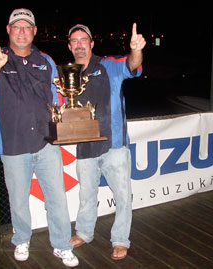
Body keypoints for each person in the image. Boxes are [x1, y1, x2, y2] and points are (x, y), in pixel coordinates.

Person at [0, 8, 79, 267]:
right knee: (18, 199)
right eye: (16, 27)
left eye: (26, 27)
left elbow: (60, 100)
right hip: (12, 144)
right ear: (8, 30)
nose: (21, 31)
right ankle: (22, 239)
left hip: (46, 144)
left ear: (34, 31)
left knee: (57, 198)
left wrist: (75, 117)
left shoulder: (47, 61)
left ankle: (62, 245)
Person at [67, 23, 146, 260]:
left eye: (84, 40)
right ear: (70, 46)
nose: (80, 44)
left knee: (123, 196)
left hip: (115, 146)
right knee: (86, 195)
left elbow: (132, 66)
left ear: (91, 44)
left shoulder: (109, 65)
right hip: (85, 146)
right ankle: (84, 232)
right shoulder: (68, 74)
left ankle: (121, 239)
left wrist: (135, 50)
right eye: (75, 41)